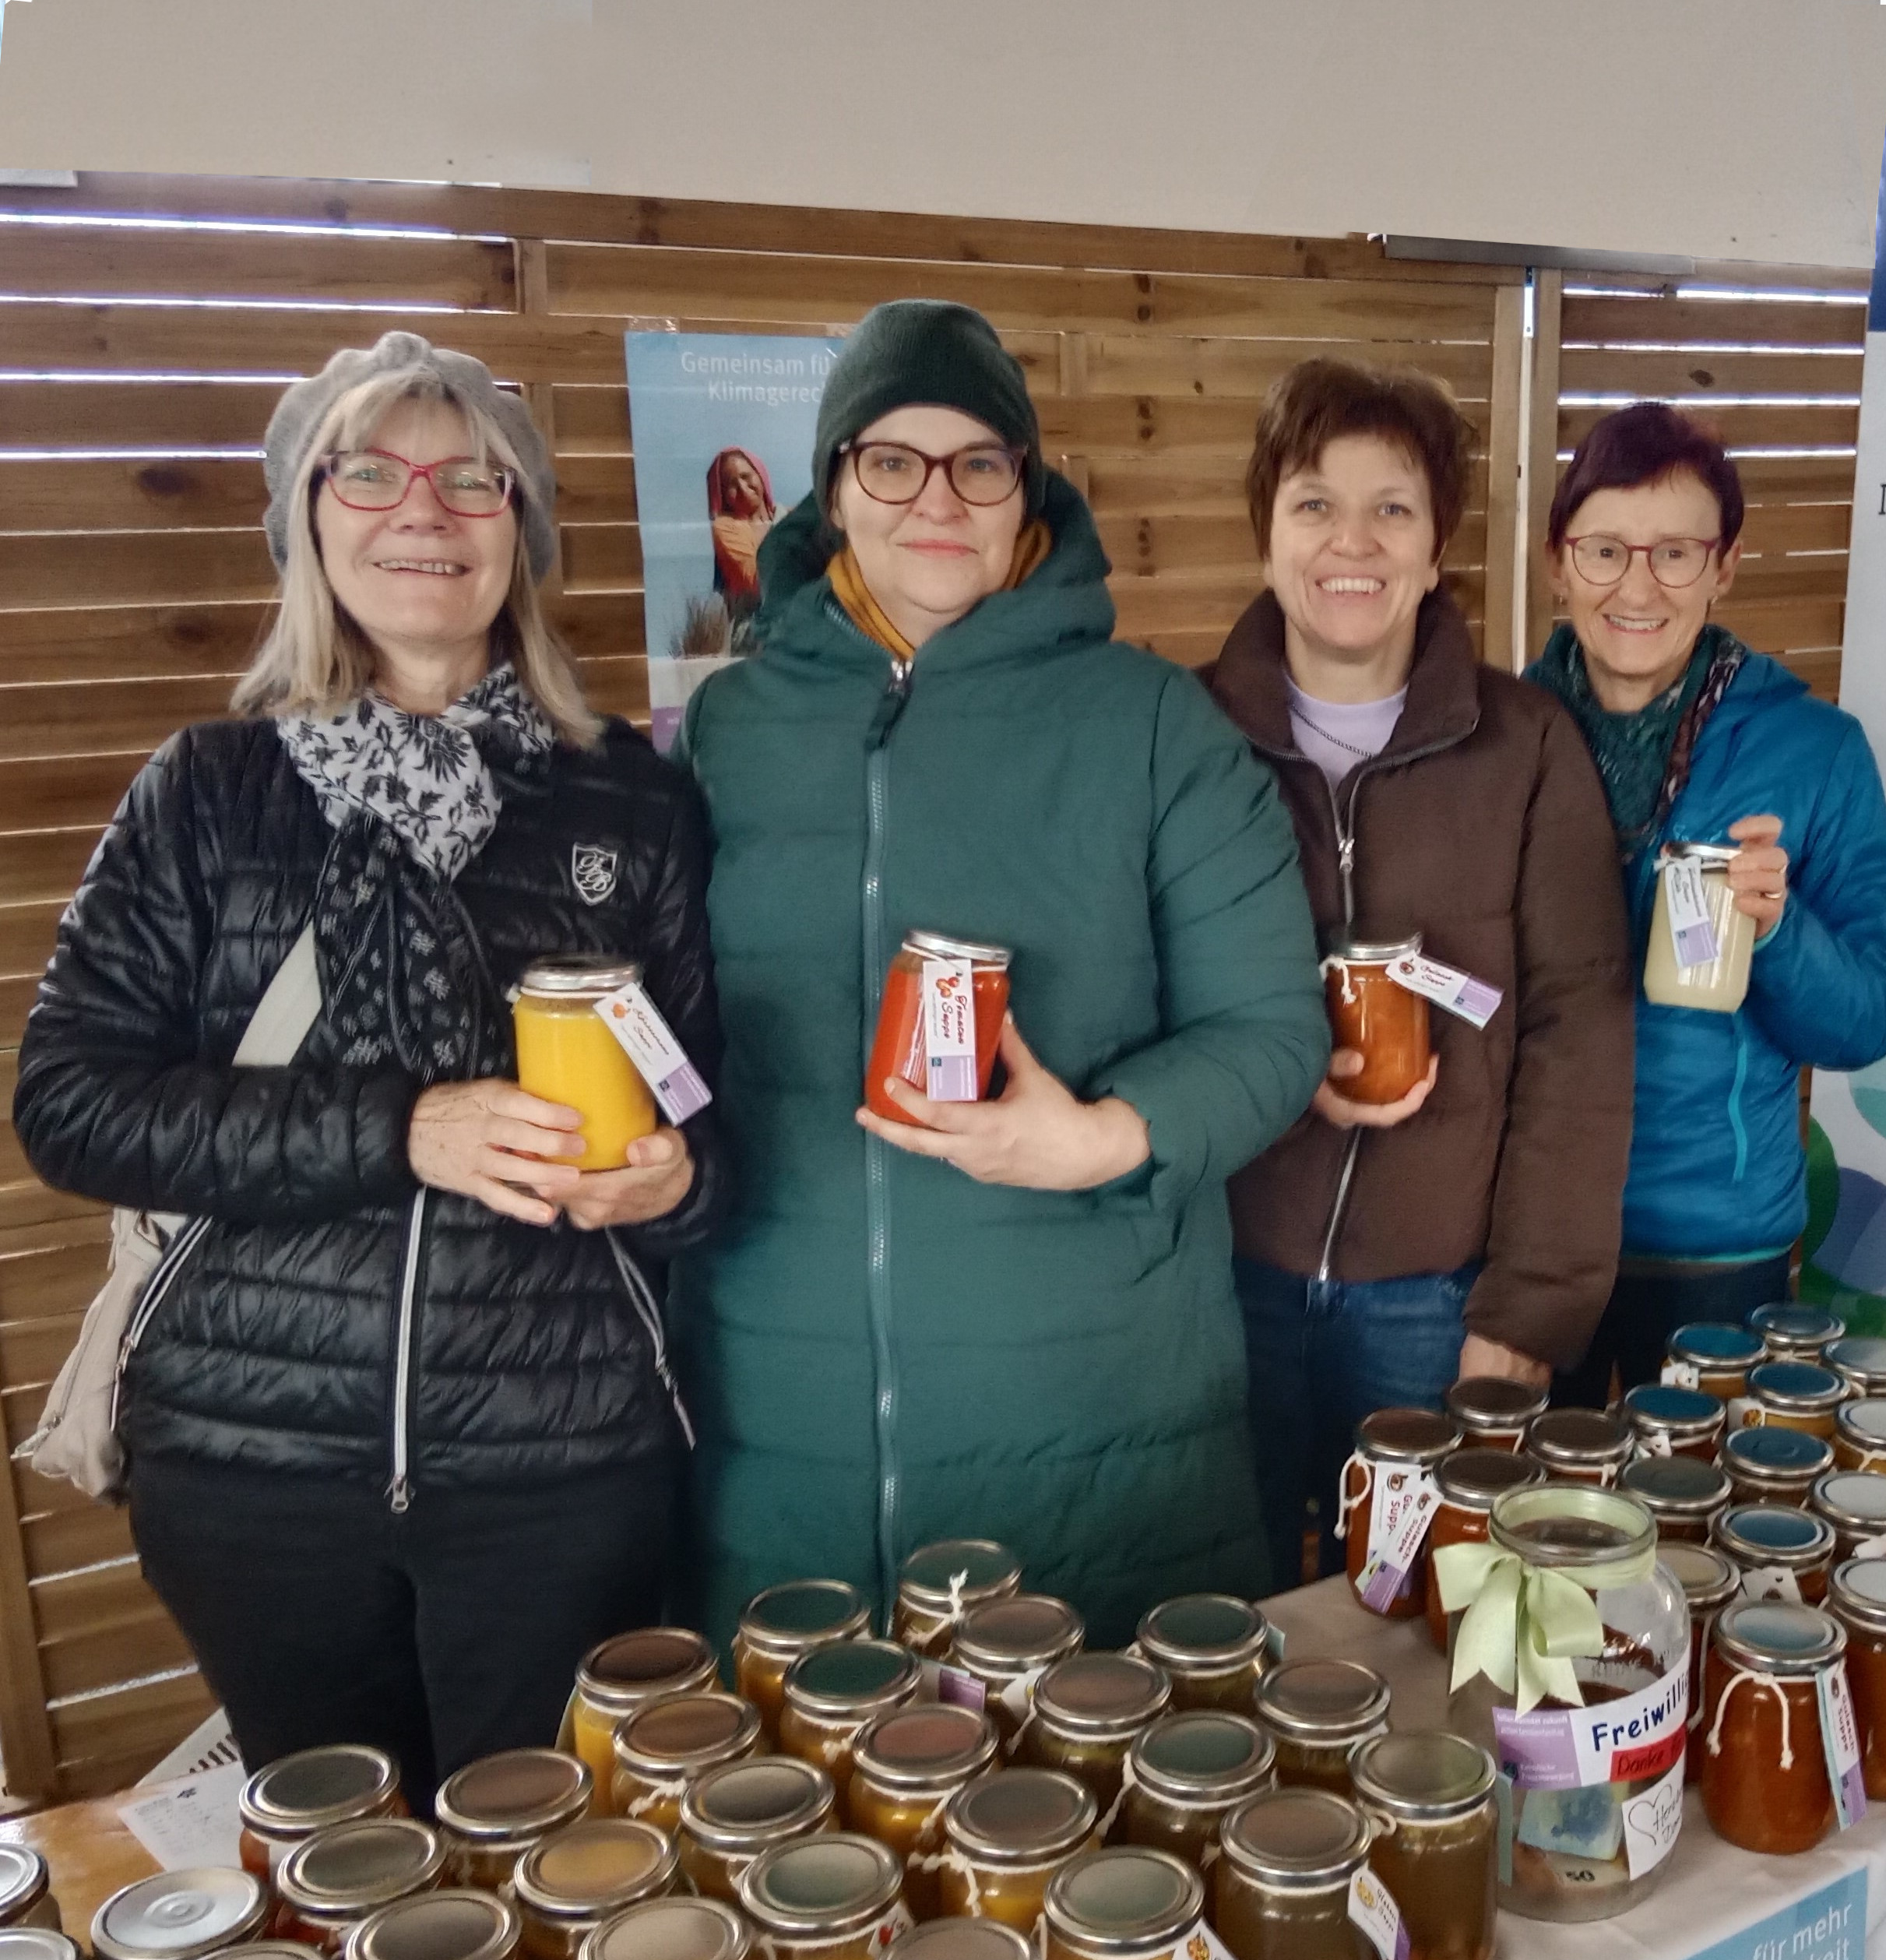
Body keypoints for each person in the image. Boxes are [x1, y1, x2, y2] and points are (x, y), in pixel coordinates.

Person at [12, 333, 723, 1805]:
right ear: (307, 521)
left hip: (561, 1457)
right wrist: (403, 1126)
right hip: (254, 1466)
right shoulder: (209, 792)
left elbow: (706, 1100)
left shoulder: (632, 800)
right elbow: (70, 1100)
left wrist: (677, 1169)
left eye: (474, 479)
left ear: (519, 532)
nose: (426, 510)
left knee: (549, 1862)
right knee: (339, 1878)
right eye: (373, 473)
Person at [674, 300, 1328, 1644]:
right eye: (890, 460)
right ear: (833, 488)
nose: (937, 497)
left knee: (1100, 1819)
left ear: (1025, 489)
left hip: (1097, 1427)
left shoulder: (1148, 724)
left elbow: (1268, 1026)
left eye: (980, 461)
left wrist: (1106, 1136)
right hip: (778, 1435)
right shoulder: (724, 732)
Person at [1205, 357, 1631, 1588]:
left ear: (1439, 545)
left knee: (1416, 1620)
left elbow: (1578, 1034)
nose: (1354, 541)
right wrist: (1288, 1077)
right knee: (1221, 1618)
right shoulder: (1185, 736)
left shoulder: (1526, 746)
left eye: (1392, 506)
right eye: (1314, 504)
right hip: (1222, 1281)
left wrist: (1531, 1307)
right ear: (1268, 532)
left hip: (1437, 1301)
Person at [1526, 403, 1886, 1399]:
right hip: (1526, 1233)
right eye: (1605, 549)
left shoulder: (1817, 751)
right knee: (1528, 1530)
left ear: (1725, 564)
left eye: (1676, 553)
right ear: (1557, 561)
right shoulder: (1498, 740)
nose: (1637, 586)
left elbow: (1866, 1017)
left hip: (1715, 1243)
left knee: (1698, 1542)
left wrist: (1777, 931)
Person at [706, 445, 776, 614]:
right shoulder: (726, 529)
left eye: (746, 476)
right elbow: (755, 580)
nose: (743, 489)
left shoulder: (791, 517)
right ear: (723, 496)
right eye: (731, 484)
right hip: (757, 629)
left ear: (760, 475)